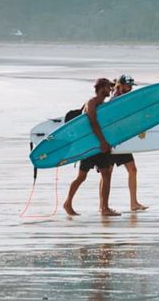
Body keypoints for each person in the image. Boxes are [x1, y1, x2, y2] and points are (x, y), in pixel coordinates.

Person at [63, 78, 120, 216]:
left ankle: (104, 208)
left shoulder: (103, 105)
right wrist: (103, 142)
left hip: (98, 146)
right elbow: (93, 123)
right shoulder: (91, 103)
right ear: (101, 88)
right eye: (108, 87)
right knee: (82, 177)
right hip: (90, 147)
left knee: (106, 174)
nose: (110, 89)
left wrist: (109, 142)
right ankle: (68, 203)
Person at [111, 74, 148, 211]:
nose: (130, 89)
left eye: (131, 86)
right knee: (107, 172)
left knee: (132, 170)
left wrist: (139, 128)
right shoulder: (115, 100)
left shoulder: (123, 98)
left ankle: (134, 203)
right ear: (120, 86)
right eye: (128, 86)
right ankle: (104, 206)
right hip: (113, 141)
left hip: (121, 141)